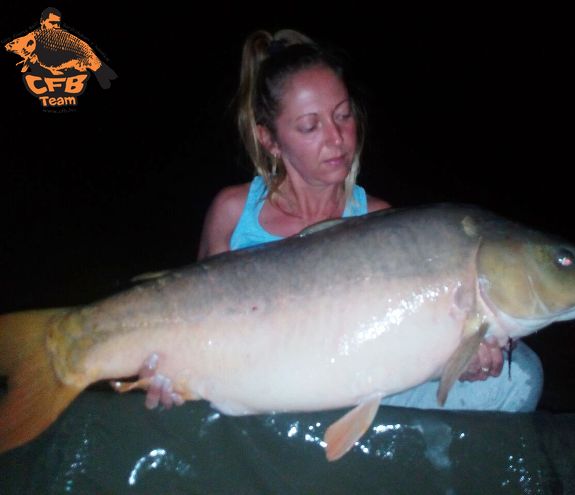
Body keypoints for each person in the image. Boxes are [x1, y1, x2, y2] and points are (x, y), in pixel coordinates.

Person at [142, 28, 543, 412]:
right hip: (255, 389)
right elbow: (191, 319)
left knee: (517, 374)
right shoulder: (233, 212)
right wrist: (170, 372)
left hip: (355, 387)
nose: (336, 139)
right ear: (270, 140)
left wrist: (461, 359)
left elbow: (401, 341)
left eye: (343, 115)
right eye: (310, 126)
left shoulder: (381, 222)